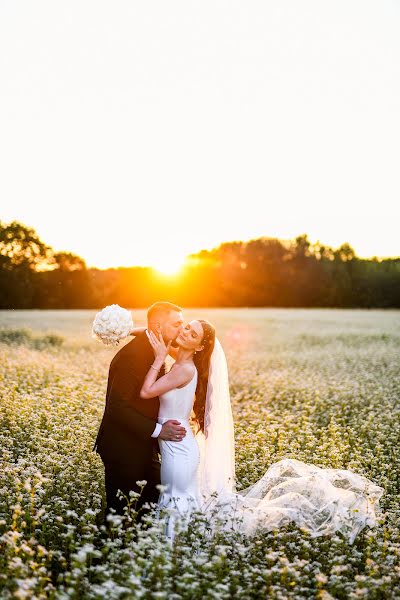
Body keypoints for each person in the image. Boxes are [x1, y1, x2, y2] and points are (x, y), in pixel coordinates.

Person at [138, 319, 384, 543]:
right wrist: (129, 330)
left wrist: (159, 358)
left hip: (179, 449)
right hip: (175, 444)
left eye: (193, 334)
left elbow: (146, 392)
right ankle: (177, 550)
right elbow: (159, 338)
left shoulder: (185, 369)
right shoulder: (181, 359)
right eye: (187, 327)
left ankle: (175, 551)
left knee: (177, 498)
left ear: (200, 347)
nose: (185, 331)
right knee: (174, 497)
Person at [94, 301, 188, 520]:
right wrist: (159, 430)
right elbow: (118, 407)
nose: (181, 330)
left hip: (144, 444)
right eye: (177, 324)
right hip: (123, 448)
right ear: (157, 326)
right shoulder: (132, 356)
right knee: (120, 514)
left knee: (150, 508)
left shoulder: (158, 346)